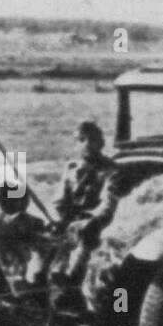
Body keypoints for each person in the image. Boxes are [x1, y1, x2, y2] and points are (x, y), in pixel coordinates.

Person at [50, 120, 120, 290]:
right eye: (82, 140)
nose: (87, 144)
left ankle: (70, 286)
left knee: (82, 253)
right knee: (43, 244)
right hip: (69, 225)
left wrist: (91, 221)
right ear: (76, 144)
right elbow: (59, 202)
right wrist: (57, 219)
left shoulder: (111, 171)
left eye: (92, 140)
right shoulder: (71, 169)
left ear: (101, 143)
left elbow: (108, 205)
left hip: (95, 227)